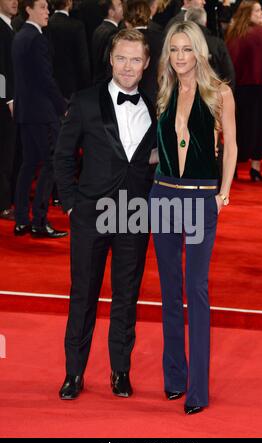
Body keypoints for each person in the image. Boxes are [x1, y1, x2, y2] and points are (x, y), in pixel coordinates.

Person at [55, 29, 157, 400]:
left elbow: (153, 158)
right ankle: (74, 373)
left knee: (126, 296)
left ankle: (120, 371)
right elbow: (63, 156)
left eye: (135, 59)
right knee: (83, 295)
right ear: (110, 60)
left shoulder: (154, 106)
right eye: (121, 58)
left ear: (146, 64)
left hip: (133, 214)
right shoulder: (83, 102)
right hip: (90, 213)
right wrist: (69, 203)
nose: (127, 66)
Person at [149, 21, 237, 415]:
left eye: (186, 49)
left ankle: (197, 389)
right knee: (169, 290)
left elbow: (231, 146)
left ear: (199, 51)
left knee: (196, 291)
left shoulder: (220, 93)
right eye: (174, 50)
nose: (180, 57)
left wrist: (223, 193)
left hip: (202, 198)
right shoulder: (164, 92)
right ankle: (174, 377)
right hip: (164, 195)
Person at [12, 0, 68, 237]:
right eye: (43, 7)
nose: (48, 12)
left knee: (28, 164)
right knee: (50, 163)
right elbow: (45, 80)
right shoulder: (36, 38)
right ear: (29, 9)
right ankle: (39, 222)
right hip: (42, 114)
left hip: (26, 112)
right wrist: (63, 106)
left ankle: (22, 220)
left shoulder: (19, 36)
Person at [226, 0, 262, 181]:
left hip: (241, 90)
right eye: (257, 11)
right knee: (261, 129)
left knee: (238, 128)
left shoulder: (235, 33)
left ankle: (233, 167)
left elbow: (230, 61)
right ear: (247, 14)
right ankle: (255, 169)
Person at [48, 0, 91, 101]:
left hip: (51, 84)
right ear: (68, 2)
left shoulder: (46, 25)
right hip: (73, 87)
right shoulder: (76, 26)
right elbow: (83, 61)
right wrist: (87, 87)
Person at [124, 0, 164, 104]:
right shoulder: (160, 39)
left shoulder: (120, 40)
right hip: (153, 95)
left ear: (126, 22)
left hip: (126, 94)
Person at [0, 0, 17, 221]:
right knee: (4, 153)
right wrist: (8, 99)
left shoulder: (11, 27)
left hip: (11, 102)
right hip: (4, 104)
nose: (15, 1)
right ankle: (3, 204)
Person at [92, 0, 123, 83]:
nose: (123, 7)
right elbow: (109, 63)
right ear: (111, 12)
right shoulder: (114, 33)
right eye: (120, 5)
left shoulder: (98, 29)